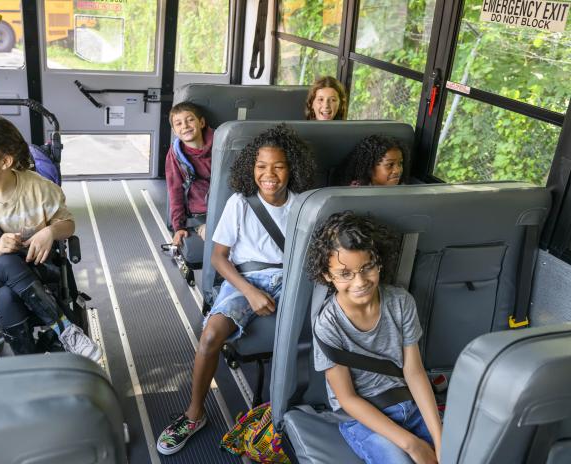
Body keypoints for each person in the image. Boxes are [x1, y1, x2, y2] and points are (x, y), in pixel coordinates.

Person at [156, 124, 316, 455]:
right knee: (211, 335)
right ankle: (194, 413)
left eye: (278, 166)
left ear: (292, 168)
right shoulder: (240, 204)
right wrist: (250, 291)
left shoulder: (304, 205)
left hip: (292, 278)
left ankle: (306, 408)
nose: (269, 175)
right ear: (250, 169)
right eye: (261, 166)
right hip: (247, 279)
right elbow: (218, 257)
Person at [0, 112, 102, 362]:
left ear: (4, 161)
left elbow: (67, 225)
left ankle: (29, 361)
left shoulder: (39, 189)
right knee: (6, 262)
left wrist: (50, 231)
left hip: (34, 271)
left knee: (8, 295)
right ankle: (64, 329)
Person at [306, 212, 442, 463]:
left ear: (378, 262)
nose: (359, 282)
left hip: (409, 404)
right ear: (327, 275)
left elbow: (414, 372)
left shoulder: (400, 302)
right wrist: (413, 445)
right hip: (362, 420)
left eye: (367, 268)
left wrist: (440, 437)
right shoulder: (328, 324)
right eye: (345, 274)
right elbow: (347, 398)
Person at [165, 102, 214, 246]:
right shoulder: (176, 155)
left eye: (190, 120)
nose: (185, 126)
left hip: (228, 210)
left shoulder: (221, 143)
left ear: (202, 122)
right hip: (201, 216)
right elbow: (175, 191)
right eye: (178, 123)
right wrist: (178, 226)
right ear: (174, 131)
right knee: (214, 237)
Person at [340, 134, 405, 186]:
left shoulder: (403, 189)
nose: (398, 170)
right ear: (370, 169)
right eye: (390, 165)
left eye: (400, 163)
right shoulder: (356, 192)